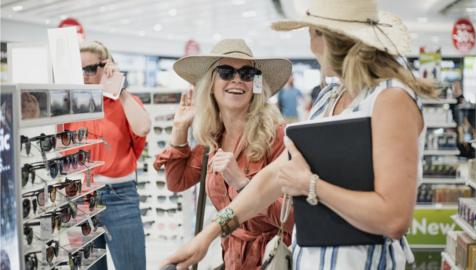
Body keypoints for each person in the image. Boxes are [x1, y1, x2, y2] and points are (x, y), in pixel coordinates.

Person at [160, 0, 436, 269]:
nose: (310, 45)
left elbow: (394, 218)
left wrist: (311, 186)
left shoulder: (389, 98)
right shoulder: (330, 97)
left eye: (311, 33)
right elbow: (273, 178)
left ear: (324, 37)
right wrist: (208, 235)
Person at [153, 39, 294, 269]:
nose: (237, 79)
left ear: (255, 83)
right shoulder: (212, 140)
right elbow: (177, 182)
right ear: (211, 84)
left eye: (247, 73)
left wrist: (242, 183)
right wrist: (179, 129)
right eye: (226, 72)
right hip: (231, 260)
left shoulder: (276, 137)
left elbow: (292, 219)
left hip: (270, 260)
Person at [65, 40, 151, 270]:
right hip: (78, 200)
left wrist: (119, 89)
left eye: (90, 69)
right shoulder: (67, 104)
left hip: (119, 196)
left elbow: (143, 127)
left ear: (107, 66)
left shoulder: (123, 102)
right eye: (79, 69)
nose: (84, 76)